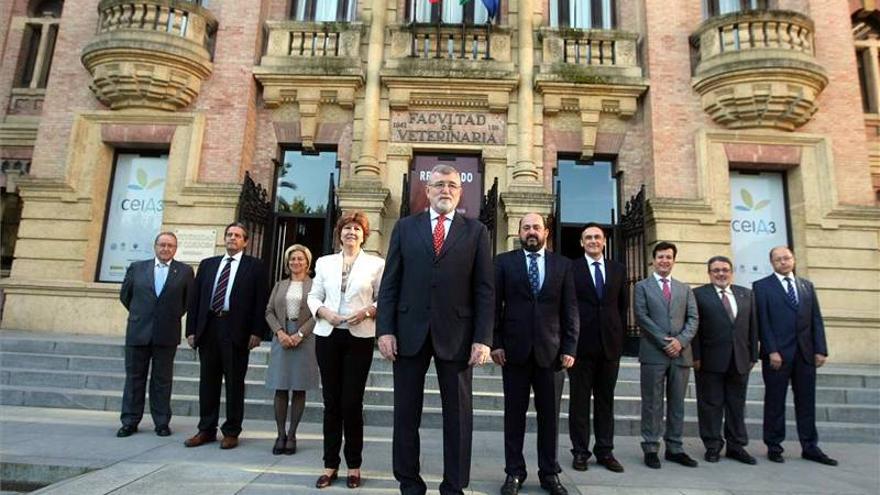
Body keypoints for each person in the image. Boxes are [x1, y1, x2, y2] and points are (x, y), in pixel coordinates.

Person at [376, 164, 494, 495]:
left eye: (452, 185)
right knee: (405, 414)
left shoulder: (476, 232)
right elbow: (390, 284)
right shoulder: (404, 228)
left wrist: (483, 338)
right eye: (439, 184)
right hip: (408, 332)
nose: (445, 190)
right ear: (427, 191)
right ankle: (409, 483)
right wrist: (385, 330)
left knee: (458, 418)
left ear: (461, 192)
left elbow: (485, 289)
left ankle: (454, 486)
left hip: (457, 336)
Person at [491, 213, 578, 495]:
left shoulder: (563, 265)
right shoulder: (504, 263)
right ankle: (513, 473)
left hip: (551, 354)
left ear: (546, 232)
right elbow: (495, 306)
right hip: (513, 353)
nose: (531, 232)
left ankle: (549, 473)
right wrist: (496, 342)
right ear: (519, 232)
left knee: (549, 418)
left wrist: (569, 347)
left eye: (536, 227)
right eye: (526, 227)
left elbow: (570, 310)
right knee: (513, 416)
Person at [308, 211, 385, 489]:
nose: (351, 232)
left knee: (351, 404)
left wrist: (368, 312)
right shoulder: (325, 262)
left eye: (356, 229)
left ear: (364, 234)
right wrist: (323, 311)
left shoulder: (376, 264)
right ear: (339, 233)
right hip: (328, 335)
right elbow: (313, 295)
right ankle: (330, 465)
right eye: (347, 228)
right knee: (331, 403)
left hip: (358, 337)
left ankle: (354, 465)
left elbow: (383, 298)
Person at [183, 222, 269, 450]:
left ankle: (231, 431)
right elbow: (195, 300)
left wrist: (257, 331)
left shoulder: (256, 267)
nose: (232, 238)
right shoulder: (208, 265)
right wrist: (191, 330)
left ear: (246, 242)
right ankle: (206, 429)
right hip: (209, 328)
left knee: (234, 383)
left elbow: (261, 301)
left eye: (238, 235)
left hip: (236, 331)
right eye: (229, 234)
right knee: (207, 383)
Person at [753, 246, 837, 466]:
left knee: (807, 402)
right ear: (772, 263)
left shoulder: (806, 286)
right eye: (778, 259)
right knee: (774, 402)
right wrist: (771, 350)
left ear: (794, 259)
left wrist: (820, 349)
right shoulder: (761, 287)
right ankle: (774, 445)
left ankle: (810, 446)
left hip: (805, 355)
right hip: (777, 356)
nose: (783, 262)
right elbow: (763, 322)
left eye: (787, 258)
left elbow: (815, 320)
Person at [117, 232, 194, 438]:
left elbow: (187, 302)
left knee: (162, 380)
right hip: (138, 331)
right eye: (162, 245)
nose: (166, 249)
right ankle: (130, 421)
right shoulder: (137, 268)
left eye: (170, 246)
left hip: (166, 333)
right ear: (155, 246)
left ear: (175, 249)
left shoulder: (185, 272)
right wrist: (141, 315)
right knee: (134, 379)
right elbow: (126, 296)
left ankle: (161, 422)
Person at [567, 223, 628, 473]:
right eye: (588, 237)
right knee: (579, 403)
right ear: (581, 242)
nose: (593, 241)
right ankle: (580, 451)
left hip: (609, 347)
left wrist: (619, 338)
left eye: (597, 237)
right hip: (580, 347)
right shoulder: (571, 268)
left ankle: (605, 451)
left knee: (606, 402)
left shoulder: (618, 269)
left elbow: (622, 307)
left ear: (604, 241)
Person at [634, 241, 699, 469]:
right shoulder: (642, 287)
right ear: (653, 260)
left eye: (669, 257)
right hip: (654, 354)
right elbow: (642, 317)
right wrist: (665, 342)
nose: (665, 261)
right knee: (652, 403)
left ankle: (675, 447)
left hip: (681, 355)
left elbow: (693, 319)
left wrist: (680, 342)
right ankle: (651, 447)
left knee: (677, 403)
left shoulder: (685, 288)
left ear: (674, 260)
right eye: (661, 257)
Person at [692, 256, 758, 464]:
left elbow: (753, 327)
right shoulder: (698, 295)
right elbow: (694, 329)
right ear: (709, 273)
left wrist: (753, 355)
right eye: (716, 270)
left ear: (731, 272)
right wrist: (696, 356)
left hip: (740, 360)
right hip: (709, 361)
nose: (721, 273)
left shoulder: (746, 294)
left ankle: (736, 446)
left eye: (725, 270)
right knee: (710, 405)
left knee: (736, 405)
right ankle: (712, 445)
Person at [264, 244, 319, 456]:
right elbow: (269, 311)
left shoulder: (315, 285)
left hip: (304, 339)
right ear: (288, 263)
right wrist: (279, 332)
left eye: (300, 259)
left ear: (307, 262)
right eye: (292, 259)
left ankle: (293, 434)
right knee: (280, 387)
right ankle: (280, 434)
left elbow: (317, 313)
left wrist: (300, 334)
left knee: (298, 387)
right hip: (282, 337)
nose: (296, 262)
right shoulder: (280, 285)